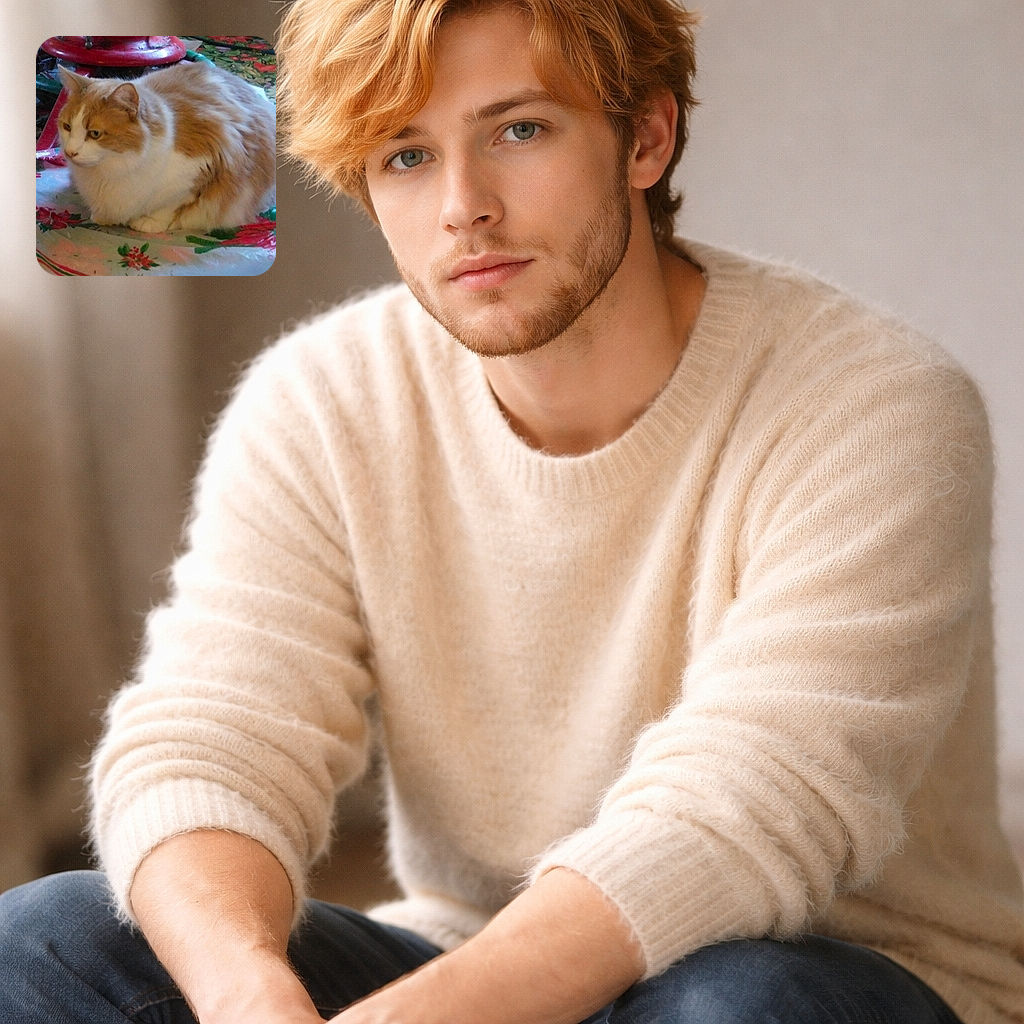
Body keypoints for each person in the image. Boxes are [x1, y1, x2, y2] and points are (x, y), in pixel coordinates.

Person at [2, 0, 1023, 1021]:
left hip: (814, 970)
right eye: (405, 156)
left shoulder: (877, 403)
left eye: (518, 130)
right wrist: (243, 998)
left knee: (738, 1000)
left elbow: (747, 807)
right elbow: (214, 732)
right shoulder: (321, 399)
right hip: (466, 956)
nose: (463, 206)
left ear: (646, 136)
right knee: (47, 940)